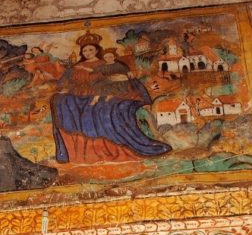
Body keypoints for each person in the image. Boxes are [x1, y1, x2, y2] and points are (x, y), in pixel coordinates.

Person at [50, 31, 171, 164]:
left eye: (91, 50)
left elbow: (122, 77)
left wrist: (122, 79)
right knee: (61, 100)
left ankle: (116, 144)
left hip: (103, 91)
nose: (88, 53)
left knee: (107, 107)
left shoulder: (106, 63)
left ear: (97, 50)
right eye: (85, 51)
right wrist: (65, 89)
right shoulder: (76, 67)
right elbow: (62, 83)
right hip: (79, 94)